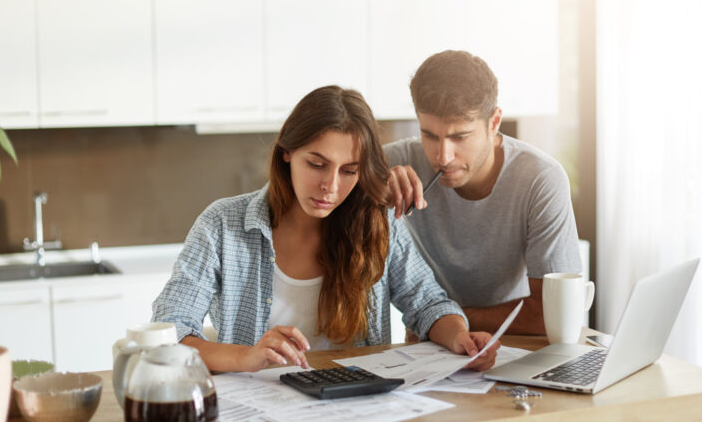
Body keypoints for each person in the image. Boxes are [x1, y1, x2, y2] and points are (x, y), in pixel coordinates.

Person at [152, 85, 499, 373]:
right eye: (317, 164)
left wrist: (459, 338)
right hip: (259, 412)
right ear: (287, 151)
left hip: (357, 407)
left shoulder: (377, 224)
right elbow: (168, 333)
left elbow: (428, 305)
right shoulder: (222, 226)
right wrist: (246, 357)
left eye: (349, 171)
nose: (330, 187)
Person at [385, 51, 582, 335]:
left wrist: (440, 320)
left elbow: (549, 315)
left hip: (514, 344)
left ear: (494, 122)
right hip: (429, 353)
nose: (443, 156)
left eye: (460, 137)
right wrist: (370, 189)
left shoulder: (540, 179)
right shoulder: (395, 165)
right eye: (429, 135)